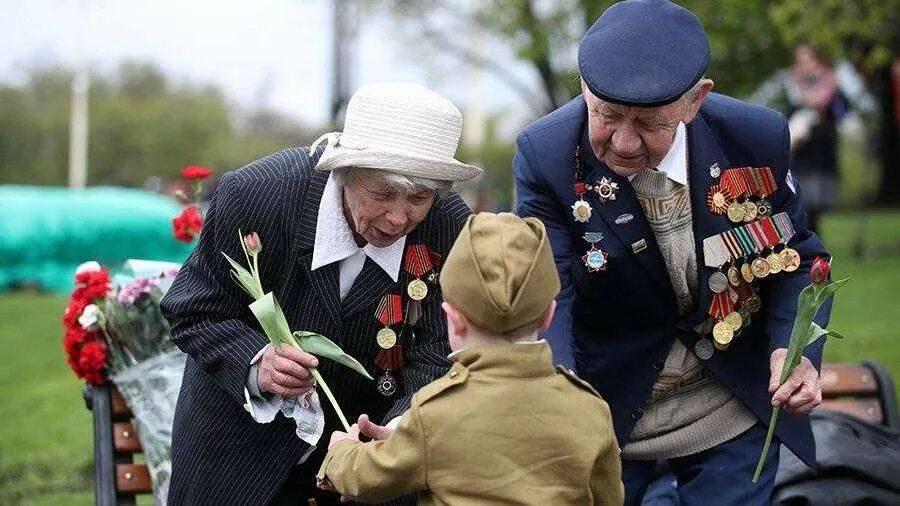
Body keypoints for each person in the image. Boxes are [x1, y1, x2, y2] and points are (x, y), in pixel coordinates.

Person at [513, 1, 832, 504]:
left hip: (730, 401)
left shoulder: (755, 137)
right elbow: (546, 287)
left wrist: (794, 354)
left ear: (695, 101)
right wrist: (561, 389)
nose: (622, 142)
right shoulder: (546, 155)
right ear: (584, 89)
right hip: (605, 406)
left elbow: (797, 258)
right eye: (607, 115)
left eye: (648, 123)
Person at [160, 83, 482, 504]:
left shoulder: (447, 226)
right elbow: (193, 307)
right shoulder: (258, 195)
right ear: (345, 172)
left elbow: (440, 351)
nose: (399, 217)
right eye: (382, 194)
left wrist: (402, 430)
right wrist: (257, 363)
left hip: (366, 470)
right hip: (235, 463)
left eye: (419, 198)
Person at [315, 212, 624, 505]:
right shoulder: (589, 408)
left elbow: (370, 478)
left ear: (454, 319)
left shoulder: (436, 412)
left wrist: (341, 454)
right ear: (548, 317)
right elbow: (609, 497)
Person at [786, 44, 851, 233]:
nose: (804, 66)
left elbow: (843, 113)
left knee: (815, 209)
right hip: (800, 158)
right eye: (800, 61)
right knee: (803, 207)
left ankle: (813, 249)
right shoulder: (792, 89)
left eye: (808, 60)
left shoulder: (831, 87)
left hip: (821, 155)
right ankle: (809, 248)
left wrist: (831, 97)